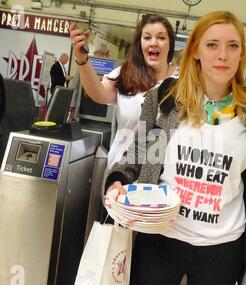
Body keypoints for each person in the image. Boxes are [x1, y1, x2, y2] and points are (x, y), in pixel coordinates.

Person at [104, 11, 246, 285]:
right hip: (162, 235)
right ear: (195, 49)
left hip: (223, 246)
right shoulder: (167, 97)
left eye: (233, 46)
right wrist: (118, 178)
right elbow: (143, 149)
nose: (223, 55)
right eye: (212, 45)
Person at [69, 14, 177, 170]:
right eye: (147, 38)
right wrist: (82, 59)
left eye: (161, 38)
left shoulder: (182, 81)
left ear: (170, 44)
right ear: (139, 44)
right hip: (120, 175)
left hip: (165, 178)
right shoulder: (126, 75)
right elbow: (98, 94)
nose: (153, 43)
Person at [68, 42, 110, 120]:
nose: (104, 56)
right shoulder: (84, 64)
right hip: (83, 107)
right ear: (96, 53)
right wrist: (72, 105)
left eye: (106, 54)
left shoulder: (108, 68)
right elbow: (74, 85)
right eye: (103, 53)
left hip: (101, 110)